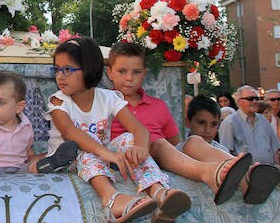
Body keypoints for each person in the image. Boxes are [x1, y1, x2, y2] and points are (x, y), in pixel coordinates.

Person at [45, 37, 189, 223]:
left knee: (129, 140)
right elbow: (70, 132)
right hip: (67, 160)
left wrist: (139, 148)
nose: (60, 76)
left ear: (89, 68)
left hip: (102, 155)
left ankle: (158, 191)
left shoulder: (109, 97)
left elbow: (139, 130)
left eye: (68, 70)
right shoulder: (58, 101)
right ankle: (112, 201)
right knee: (85, 150)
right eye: (57, 69)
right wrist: (105, 153)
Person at [107, 44, 271, 206]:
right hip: (129, 156)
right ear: (110, 73)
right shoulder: (104, 104)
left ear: (144, 73)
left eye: (136, 72)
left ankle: (246, 174)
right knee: (159, 143)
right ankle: (209, 172)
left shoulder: (157, 105)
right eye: (122, 71)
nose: (129, 78)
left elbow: (175, 142)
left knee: (194, 141)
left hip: (164, 154)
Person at [219, 86, 280, 165]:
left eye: (257, 98)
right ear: (239, 101)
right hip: (244, 174)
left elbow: (274, 148)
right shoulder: (230, 122)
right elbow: (225, 153)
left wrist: (277, 168)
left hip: (267, 171)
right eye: (250, 98)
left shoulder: (263, 120)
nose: (255, 101)